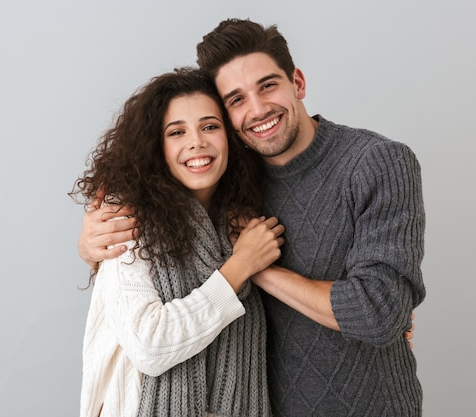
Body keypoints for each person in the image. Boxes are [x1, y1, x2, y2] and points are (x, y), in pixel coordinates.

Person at [78, 19, 426, 417]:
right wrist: (92, 246)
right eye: (237, 99)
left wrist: (255, 268)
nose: (258, 110)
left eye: (268, 85)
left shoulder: (376, 162)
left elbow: (377, 313)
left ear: (297, 82)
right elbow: (151, 261)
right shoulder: (233, 180)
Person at [70, 68, 284, 417]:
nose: (197, 141)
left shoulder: (250, 215)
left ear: (231, 136)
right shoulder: (127, 222)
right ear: (157, 145)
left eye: (210, 126)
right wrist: (240, 266)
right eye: (177, 132)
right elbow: (149, 346)